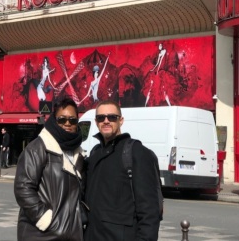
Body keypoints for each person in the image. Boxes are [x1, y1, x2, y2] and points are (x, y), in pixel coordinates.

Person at [84, 99, 161, 241]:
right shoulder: (95, 153)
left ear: (121, 120)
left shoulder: (136, 152)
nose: (106, 121)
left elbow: (149, 212)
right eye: (101, 118)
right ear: (96, 122)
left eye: (112, 117)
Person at [14, 97, 85, 241]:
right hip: (42, 234)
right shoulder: (37, 148)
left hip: (70, 234)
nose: (67, 124)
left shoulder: (79, 153)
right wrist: (46, 219)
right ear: (54, 120)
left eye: (72, 120)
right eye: (62, 119)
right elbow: (23, 188)